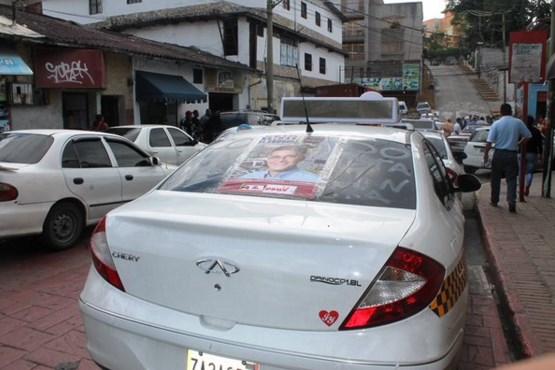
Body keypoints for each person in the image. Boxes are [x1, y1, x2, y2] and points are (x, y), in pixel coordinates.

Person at [483, 103, 531, 213]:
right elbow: (528, 136)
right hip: (512, 154)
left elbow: (489, 142)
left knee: (495, 178)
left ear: (501, 111)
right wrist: (519, 143)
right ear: (511, 112)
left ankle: (494, 200)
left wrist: (485, 154)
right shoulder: (518, 122)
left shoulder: (496, 124)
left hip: (498, 154)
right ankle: (512, 202)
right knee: (512, 179)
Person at [240, 145, 320, 182]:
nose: (281, 160)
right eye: (276, 157)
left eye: (289, 156)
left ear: (299, 159)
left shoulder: (313, 180)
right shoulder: (247, 178)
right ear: (268, 159)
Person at [521, 115, 543, 196]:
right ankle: (527, 187)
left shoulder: (522, 130)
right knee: (530, 172)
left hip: (522, 153)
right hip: (532, 153)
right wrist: (541, 154)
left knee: (521, 172)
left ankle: (521, 187)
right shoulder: (537, 131)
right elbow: (540, 144)